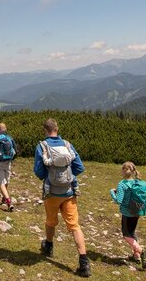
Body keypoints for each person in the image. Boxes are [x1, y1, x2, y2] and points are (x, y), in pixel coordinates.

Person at [34, 118, 90, 277]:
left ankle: (49, 247)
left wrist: (51, 177)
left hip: (52, 192)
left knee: (51, 221)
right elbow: (79, 167)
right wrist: (68, 177)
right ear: (57, 129)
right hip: (69, 192)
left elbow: (38, 171)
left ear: (45, 130)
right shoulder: (67, 145)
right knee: (74, 225)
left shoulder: (42, 146)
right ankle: (84, 262)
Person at [110, 162, 146, 270]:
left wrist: (112, 192)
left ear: (123, 171)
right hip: (137, 211)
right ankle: (136, 255)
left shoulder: (122, 184)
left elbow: (118, 200)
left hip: (127, 213)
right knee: (132, 232)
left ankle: (142, 252)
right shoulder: (136, 182)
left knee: (126, 234)